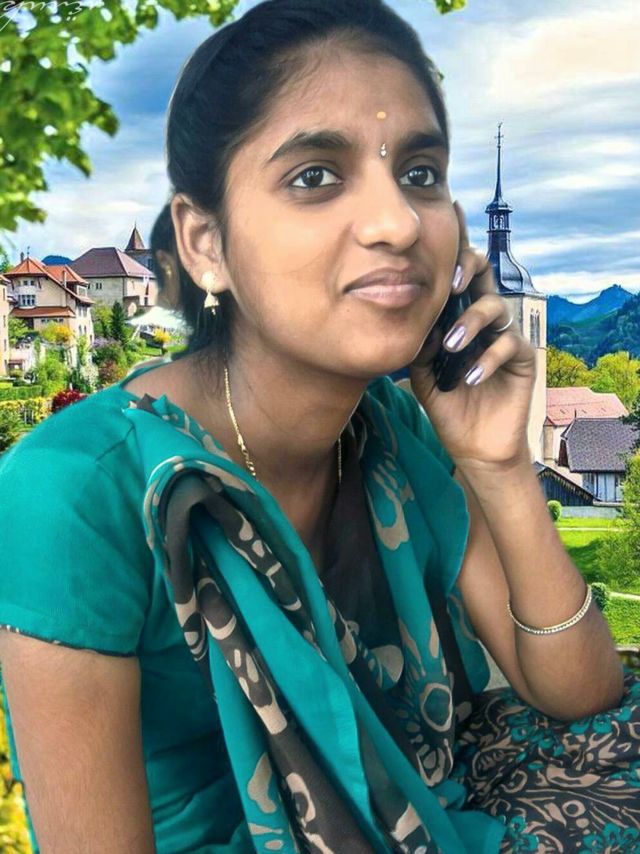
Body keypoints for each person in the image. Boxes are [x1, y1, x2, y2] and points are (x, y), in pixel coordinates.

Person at [0, 1, 638, 851]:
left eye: (419, 172)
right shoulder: (79, 494)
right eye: (314, 176)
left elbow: (582, 694)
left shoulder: (393, 433)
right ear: (205, 244)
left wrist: (498, 465)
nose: (398, 222)